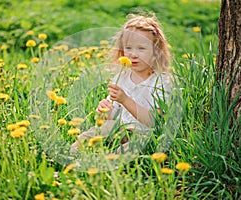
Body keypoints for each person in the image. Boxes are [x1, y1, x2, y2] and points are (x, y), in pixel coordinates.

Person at [70, 13, 172, 154]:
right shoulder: (121, 78)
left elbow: (154, 121)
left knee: (129, 149)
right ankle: (72, 155)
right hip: (120, 129)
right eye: (128, 48)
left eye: (141, 48)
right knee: (97, 131)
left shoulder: (161, 82)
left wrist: (125, 100)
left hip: (146, 135)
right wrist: (104, 111)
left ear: (156, 52)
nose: (133, 54)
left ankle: (108, 165)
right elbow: (111, 116)